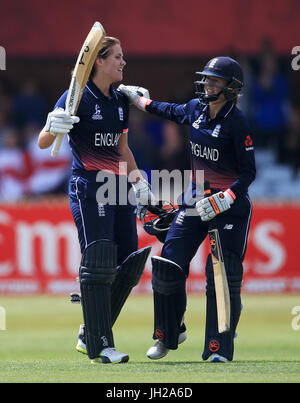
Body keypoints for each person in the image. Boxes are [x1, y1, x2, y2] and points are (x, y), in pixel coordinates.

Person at [118, 56, 256, 362]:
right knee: (168, 266)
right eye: (206, 79)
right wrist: (137, 99)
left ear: (231, 88)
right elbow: (165, 109)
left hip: (229, 208)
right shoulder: (195, 109)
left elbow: (248, 173)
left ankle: (218, 347)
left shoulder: (237, 122)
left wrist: (227, 197)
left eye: (214, 80)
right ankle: (167, 335)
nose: (207, 84)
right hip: (194, 201)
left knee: (222, 274)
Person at [38, 36, 154, 364]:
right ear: (98, 61)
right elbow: (43, 141)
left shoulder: (119, 101)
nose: (123, 62)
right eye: (117, 57)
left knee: (129, 264)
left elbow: (122, 150)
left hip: (118, 188)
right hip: (88, 186)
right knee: (98, 261)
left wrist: (140, 184)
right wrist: (52, 124)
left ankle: (89, 328)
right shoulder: (77, 96)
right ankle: (101, 345)